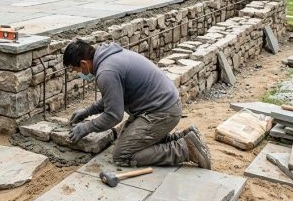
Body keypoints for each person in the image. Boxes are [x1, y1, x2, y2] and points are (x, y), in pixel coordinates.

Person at [62, 39, 211, 168]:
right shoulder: (109, 57)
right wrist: (87, 111)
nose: (78, 74)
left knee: (122, 154)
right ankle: (185, 137)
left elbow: (114, 115)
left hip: (162, 111)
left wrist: (86, 128)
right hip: (163, 105)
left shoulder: (106, 72)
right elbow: (112, 98)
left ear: (84, 63)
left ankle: (185, 149)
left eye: (75, 70)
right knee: (126, 139)